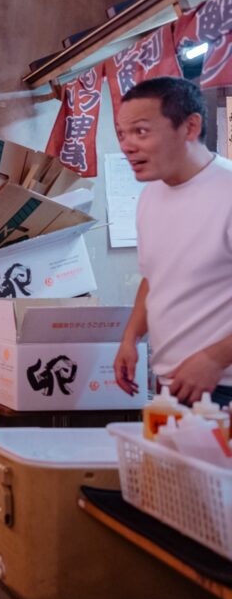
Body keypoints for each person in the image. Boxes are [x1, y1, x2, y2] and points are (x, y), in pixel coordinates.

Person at [113, 77, 232, 406]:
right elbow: (155, 277)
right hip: (173, 386)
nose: (126, 145)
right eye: (122, 134)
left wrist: (215, 358)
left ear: (190, 127)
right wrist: (131, 337)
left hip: (222, 389)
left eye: (141, 131)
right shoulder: (150, 196)